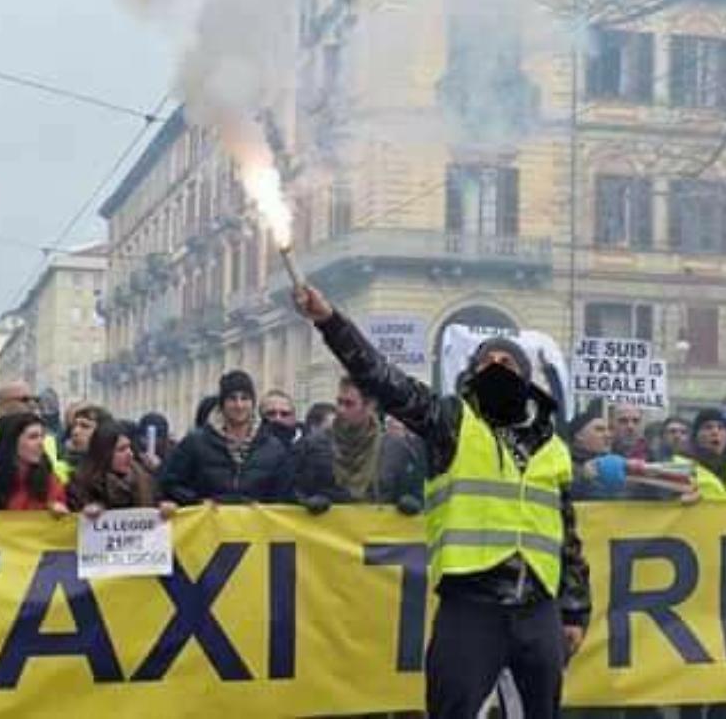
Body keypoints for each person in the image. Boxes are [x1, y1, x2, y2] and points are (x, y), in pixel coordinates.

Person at [295, 285, 589, 719]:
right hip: (472, 605)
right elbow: (382, 379)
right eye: (487, 363)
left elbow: (567, 535)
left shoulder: (552, 444)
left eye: (507, 364)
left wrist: (575, 611)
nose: (497, 370)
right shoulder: (449, 420)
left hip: (537, 608)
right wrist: (329, 321)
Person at [294, 376, 425, 514]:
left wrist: (409, 502)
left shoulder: (396, 449)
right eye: (339, 402)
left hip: (376, 531)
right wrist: (307, 502)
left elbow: (413, 492)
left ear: (369, 407)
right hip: (329, 532)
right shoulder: (314, 445)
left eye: (349, 404)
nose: (340, 410)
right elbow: (294, 492)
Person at [160, 370, 293, 505]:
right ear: (222, 404)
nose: (239, 405)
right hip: (209, 523)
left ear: (253, 403)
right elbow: (171, 484)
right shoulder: (195, 443)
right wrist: (196, 502)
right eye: (232, 398)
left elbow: (283, 493)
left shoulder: (273, 447)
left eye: (245, 398)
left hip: (255, 525)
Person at [0, 413, 69, 515]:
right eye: (33, 437)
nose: (41, 443)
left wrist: (60, 510)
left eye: (42, 437)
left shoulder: (50, 482)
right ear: (12, 442)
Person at [67, 419, 175, 518]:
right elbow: (69, 521)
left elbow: (158, 503)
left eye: (130, 447)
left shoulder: (144, 479)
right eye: (121, 449)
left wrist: (165, 507)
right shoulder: (81, 483)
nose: (130, 454)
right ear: (104, 454)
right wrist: (83, 513)